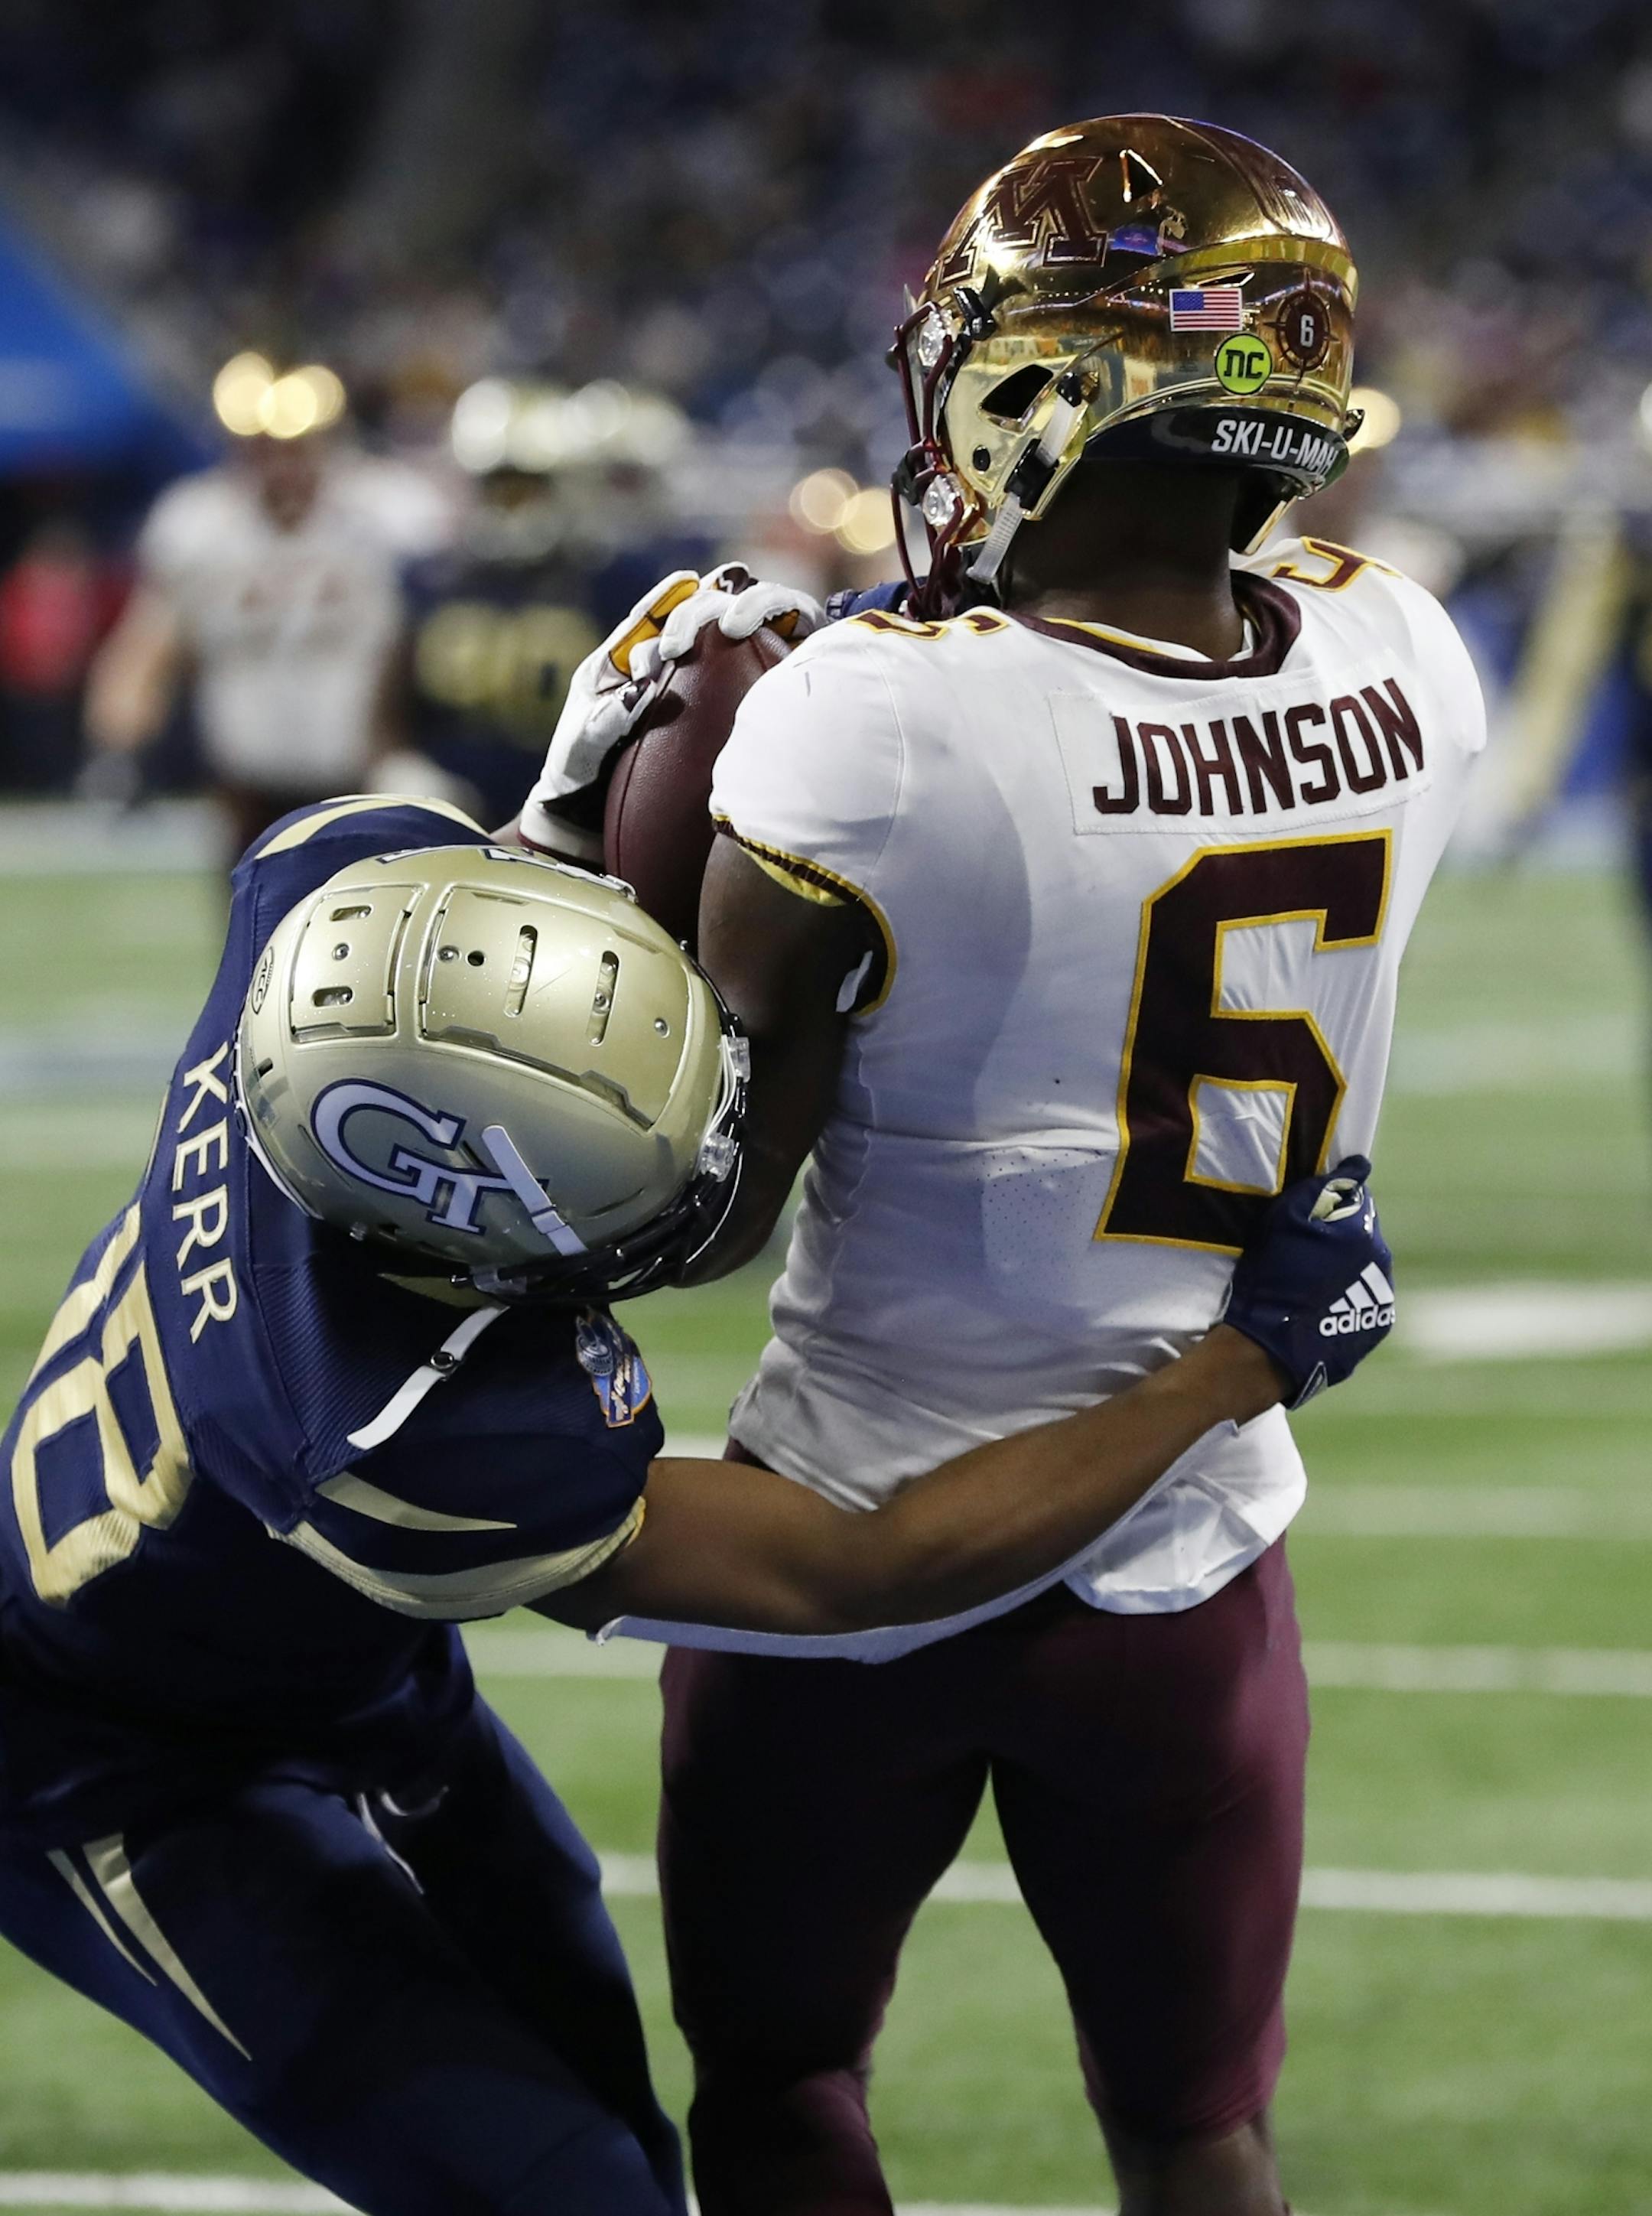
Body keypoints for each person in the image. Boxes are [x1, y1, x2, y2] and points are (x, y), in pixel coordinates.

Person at [522, 116, 1482, 2216]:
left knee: (779, 2084)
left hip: (859, 1512)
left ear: (1051, 391)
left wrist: (588, 835)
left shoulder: (872, 721)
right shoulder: (1411, 662)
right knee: (1195, 2132)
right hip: (1190, 1540)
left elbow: (700, 1215)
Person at [0, 788, 1393, 2216]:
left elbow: (472, 950)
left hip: (341, 1672)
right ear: (466, 1234)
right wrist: (1235, 1365)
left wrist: (566, 808)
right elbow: (857, 1570)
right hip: (125, 1770)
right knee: (573, 2189)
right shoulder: (395, 1436)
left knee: (609, 2091)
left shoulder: (336, 913)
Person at [82, 397, 448, 866]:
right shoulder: (199, 526)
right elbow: (146, 647)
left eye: (296, 448)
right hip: (246, 791)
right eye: (266, 450)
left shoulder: (389, 516)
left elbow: (438, 635)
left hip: (362, 785)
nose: (282, 466)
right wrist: (118, 750)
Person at [378, 378, 711, 830]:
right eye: (499, 486)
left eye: (528, 487)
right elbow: (386, 706)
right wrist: (401, 764)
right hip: (447, 815)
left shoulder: (618, 584)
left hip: (568, 826)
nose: (512, 505)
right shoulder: (433, 580)